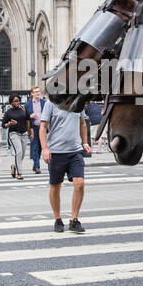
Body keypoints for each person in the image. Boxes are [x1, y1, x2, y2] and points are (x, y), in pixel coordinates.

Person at [39, 97, 90, 232]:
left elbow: (82, 123)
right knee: (55, 186)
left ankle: (74, 219)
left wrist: (85, 143)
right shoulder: (51, 103)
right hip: (56, 151)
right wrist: (45, 148)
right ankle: (57, 218)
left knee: (80, 183)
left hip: (75, 151)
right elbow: (43, 126)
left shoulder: (79, 102)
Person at [2, 94, 30, 179]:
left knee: (22, 154)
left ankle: (14, 166)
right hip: (14, 134)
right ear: (11, 102)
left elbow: (28, 120)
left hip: (24, 133)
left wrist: (29, 132)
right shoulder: (9, 112)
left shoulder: (23, 109)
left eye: (18, 100)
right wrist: (10, 123)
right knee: (19, 152)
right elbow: (3, 125)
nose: (17, 102)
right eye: (15, 101)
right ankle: (19, 173)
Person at [25, 86, 46, 174]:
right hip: (33, 128)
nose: (37, 93)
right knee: (35, 146)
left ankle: (35, 165)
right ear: (32, 93)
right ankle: (37, 166)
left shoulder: (44, 102)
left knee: (41, 147)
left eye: (38, 91)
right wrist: (30, 116)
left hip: (43, 127)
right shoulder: (28, 104)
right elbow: (25, 118)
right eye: (35, 92)